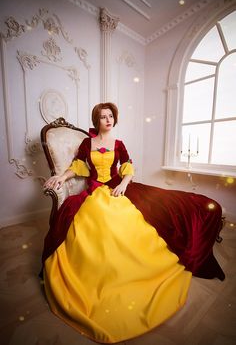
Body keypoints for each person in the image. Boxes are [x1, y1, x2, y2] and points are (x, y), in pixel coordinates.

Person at [42, 102, 224, 343]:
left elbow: (127, 167)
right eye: (102, 117)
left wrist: (124, 184)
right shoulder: (88, 143)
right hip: (97, 192)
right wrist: (60, 176)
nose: (107, 120)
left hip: (119, 187)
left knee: (161, 209)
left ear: (114, 119)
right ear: (96, 121)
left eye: (110, 116)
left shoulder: (119, 144)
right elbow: (78, 167)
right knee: (103, 225)